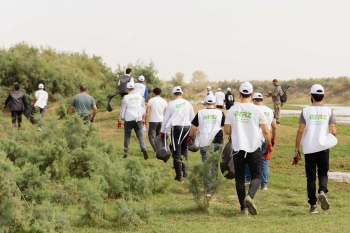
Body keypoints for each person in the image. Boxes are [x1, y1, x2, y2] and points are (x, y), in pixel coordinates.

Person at [224, 81, 273, 216]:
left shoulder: (232, 109)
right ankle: (250, 197)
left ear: (239, 94)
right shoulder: (258, 110)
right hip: (254, 148)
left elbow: (227, 130)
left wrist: (238, 128)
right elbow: (266, 131)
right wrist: (269, 144)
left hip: (238, 148)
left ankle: (243, 208)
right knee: (256, 176)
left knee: (239, 178)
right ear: (251, 94)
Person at [294, 84, 337, 214]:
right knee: (323, 173)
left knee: (311, 177)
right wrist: (331, 139)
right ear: (323, 96)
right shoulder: (329, 111)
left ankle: (313, 206)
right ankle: (322, 191)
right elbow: (333, 131)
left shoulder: (306, 111)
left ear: (311, 96)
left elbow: (300, 130)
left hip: (309, 148)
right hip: (323, 147)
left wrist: (296, 148)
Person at [189, 94, 225, 195]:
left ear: (205, 102)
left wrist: (190, 137)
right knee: (215, 164)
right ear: (214, 103)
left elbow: (193, 128)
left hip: (204, 141)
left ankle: (207, 190)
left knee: (206, 165)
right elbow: (223, 125)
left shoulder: (200, 113)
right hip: (217, 140)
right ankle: (214, 187)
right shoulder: (220, 112)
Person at [160, 86, 195, 182]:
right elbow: (192, 118)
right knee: (184, 149)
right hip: (187, 127)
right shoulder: (188, 103)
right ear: (182, 94)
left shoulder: (171, 104)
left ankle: (179, 176)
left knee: (176, 151)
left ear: (173, 94)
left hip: (177, 128)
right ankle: (185, 171)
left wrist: (162, 131)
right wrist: (193, 131)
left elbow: (166, 119)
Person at [245, 93, 277, 190]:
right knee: (264, 162)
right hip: (265, 139)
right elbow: (274, 127)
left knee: (248, 160)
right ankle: (264, 185)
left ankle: (249, 179)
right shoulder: (270, 111)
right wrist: (272, 140)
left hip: (253, 139)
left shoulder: (252, 110)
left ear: (254, 100)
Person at [118, 82, 148, 160]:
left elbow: (123, 109)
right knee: (140, 135)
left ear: (127, 89)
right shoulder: (140, 97)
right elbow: (143, 108)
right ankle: (144, 149)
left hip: (128, 119)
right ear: (134, 88)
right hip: (138, 118)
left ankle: (126, 153)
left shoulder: (125, 97)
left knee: (127, 136)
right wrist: (144, 118)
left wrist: (120, 119)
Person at [145, 88, 168, 155]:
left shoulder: (151, 100)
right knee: (158, 137)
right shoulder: (164, 101)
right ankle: (159, 150)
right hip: (161, 121)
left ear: (154, 93)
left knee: (151, 136)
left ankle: (156, 150)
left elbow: (148, 111)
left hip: (153, 120)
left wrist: (145, 120)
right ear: (160, 93)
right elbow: (166, 112)